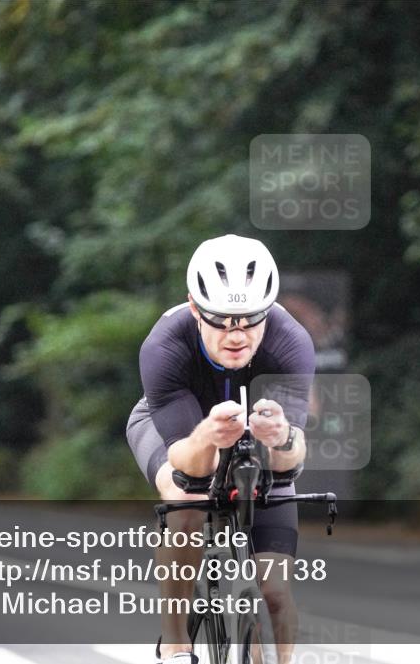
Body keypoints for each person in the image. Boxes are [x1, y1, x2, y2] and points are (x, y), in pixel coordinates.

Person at [126, 234, 316, 664]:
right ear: (195, 309)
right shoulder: (164, 346)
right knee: (186, 494)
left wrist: (281, 437)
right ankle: (175, 642)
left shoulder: (291, 342)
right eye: (221, 320)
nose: (237, 334)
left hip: (258, 426)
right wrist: (207, 436)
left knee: (276, 593)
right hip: (178, 428)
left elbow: (292, 461)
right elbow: (185, 463)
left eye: (250, 319)